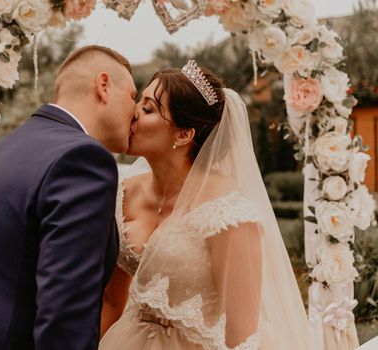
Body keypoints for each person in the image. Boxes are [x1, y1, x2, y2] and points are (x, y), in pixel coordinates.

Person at [0, 45, 138, 350]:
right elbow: (65, 316)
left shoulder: (3, 150)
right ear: (103, 85)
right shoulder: (82, 159)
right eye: (134, 96)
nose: (135, 111)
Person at [99, 61, 315, 349]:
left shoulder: (228, 213)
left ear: (183, 134)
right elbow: (113, 300)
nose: (133, 113)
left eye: (148, 109)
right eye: (139, 102)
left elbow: (243, 333)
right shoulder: (122, 193)